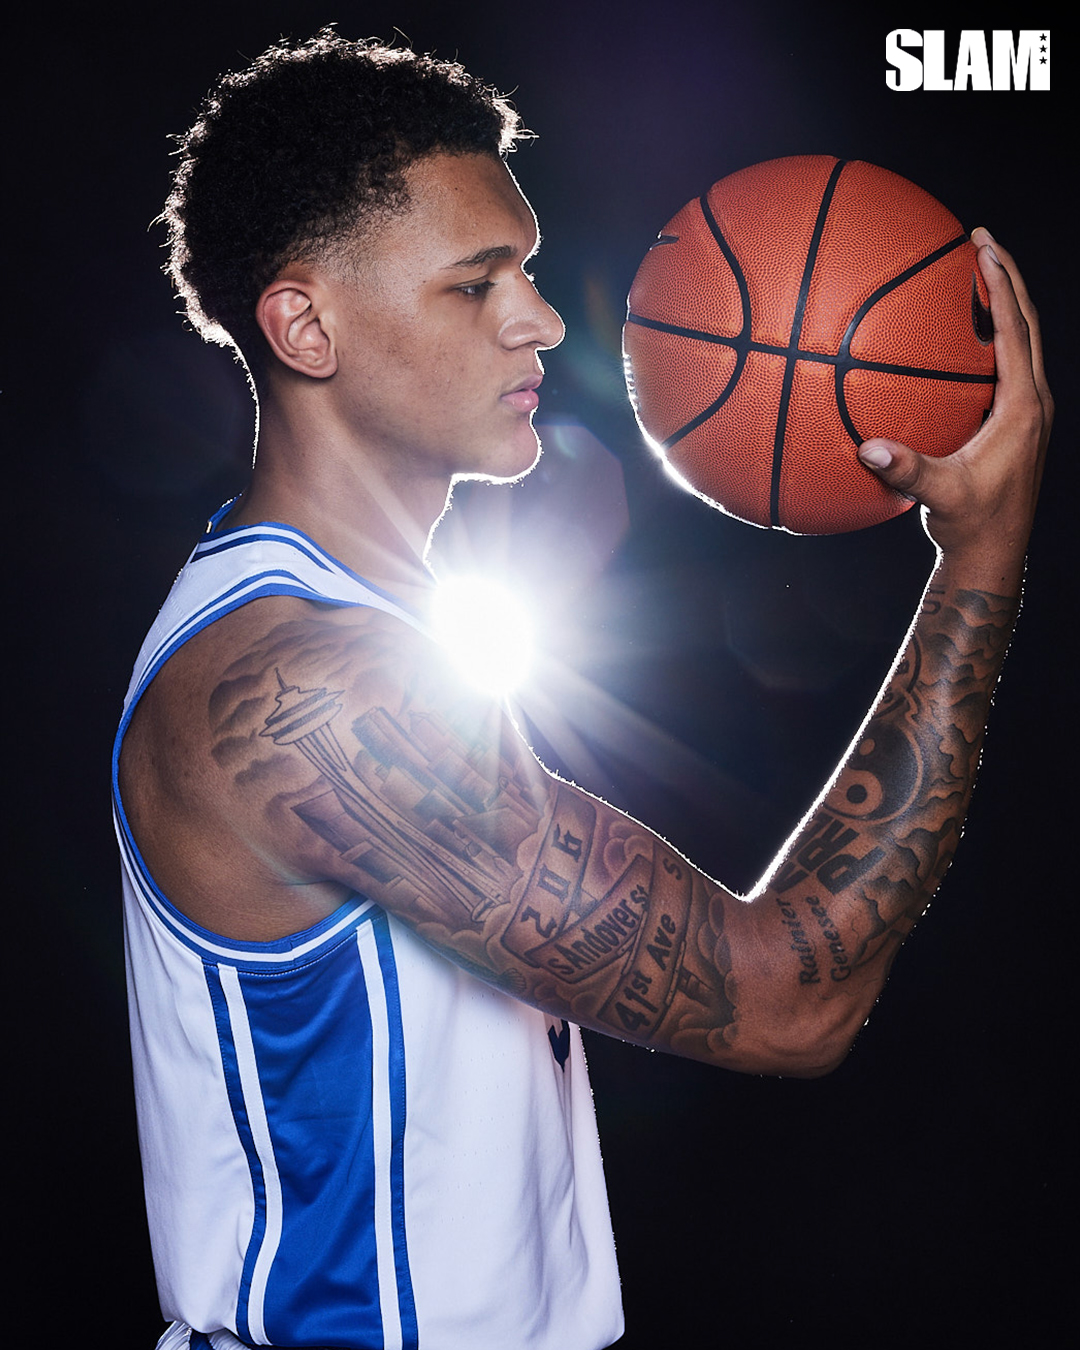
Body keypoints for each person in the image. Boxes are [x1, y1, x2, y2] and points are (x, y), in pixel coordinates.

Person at [113, 31, 1051, 1350]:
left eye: (532, 270)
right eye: (474, 285)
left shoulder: (370, 628)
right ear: (305, 324)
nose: (543, 320)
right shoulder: (309, 688)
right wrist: (983, 561)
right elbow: (788, 999)